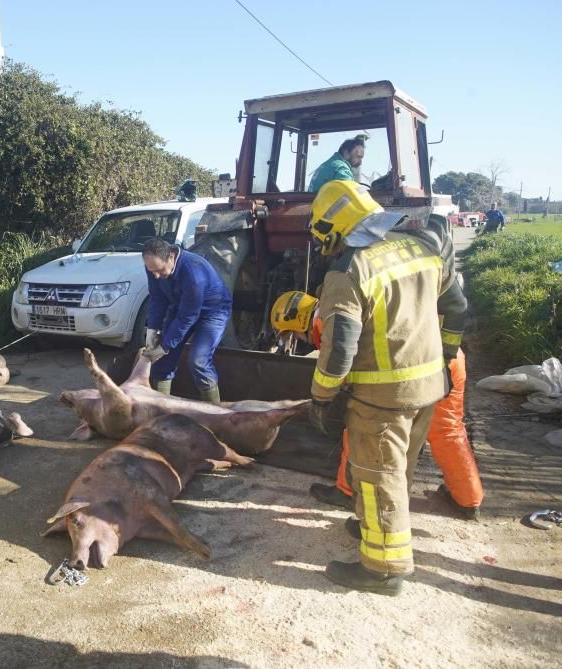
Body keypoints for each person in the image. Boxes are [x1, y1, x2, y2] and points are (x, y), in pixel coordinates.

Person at [306, 180, 467, 595]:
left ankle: (383, 568)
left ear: (332, 227)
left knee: (379, 475)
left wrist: (322, 396)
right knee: (398, 468)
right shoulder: (420, 247)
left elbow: (338, 347)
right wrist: (447, 358)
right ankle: (369, 525)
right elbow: (456, 307)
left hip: (383, 395)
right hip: (428, 385)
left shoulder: (349, 270)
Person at [270, 291, 483, 521]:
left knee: (360, 425)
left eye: (294, 335)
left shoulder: (331, 325)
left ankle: (349, 492)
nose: (299, 341)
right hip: (446, 357)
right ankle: (468, 500)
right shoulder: (341, 302)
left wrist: (322, 399)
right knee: (447, 431)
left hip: (411, 368)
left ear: (300, 323)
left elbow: (339, 366)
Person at [140, 237, 232, 404]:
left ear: (170, 257)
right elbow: (157, 299)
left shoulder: (194, 273)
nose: (156, 275)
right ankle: (162, 413)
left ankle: (215, 413)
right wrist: (152, 330)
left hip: (212, 312)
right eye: (151, 270)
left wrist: (164, 346)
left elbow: (187, 317)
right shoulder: (153, 267)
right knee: (161, 362)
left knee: (198, 360)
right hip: (181, 307)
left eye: (159, 271)